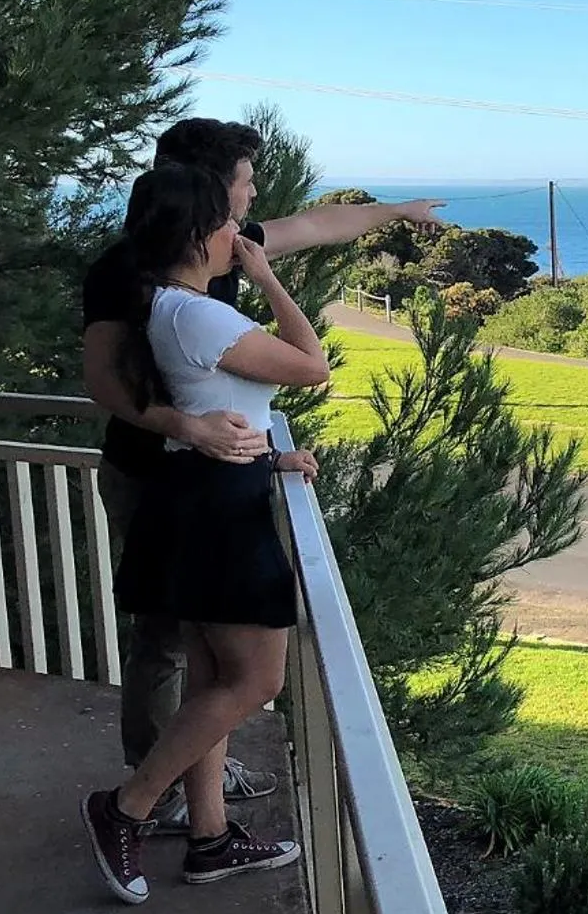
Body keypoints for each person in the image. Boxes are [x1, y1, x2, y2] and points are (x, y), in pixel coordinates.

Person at [81, 117, 447, 831]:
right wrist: (183, 427)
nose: (255, 197)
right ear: (210, 198)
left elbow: (316, 224)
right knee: (168, 637)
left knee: (208, 654)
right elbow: (104, 381)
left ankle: (192, 790)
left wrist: (397, 212)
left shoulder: (219, 253)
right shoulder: (127, 272)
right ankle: (156, 784)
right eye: (246, 182)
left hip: (219, 471)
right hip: (158, 475)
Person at [80, 162, 328, 902]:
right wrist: (269, 279)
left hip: (203, 492)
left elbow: (211, 403)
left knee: (213, 681)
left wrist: (270, 452)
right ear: (194, 233)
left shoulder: (164, 304)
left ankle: (211, 839)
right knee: (258, 679)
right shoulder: (201, 315)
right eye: (228, 222)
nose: (239, 233)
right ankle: (124, 806)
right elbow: (312, 365)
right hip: (219, 513)